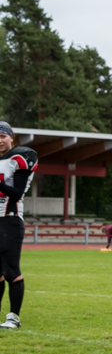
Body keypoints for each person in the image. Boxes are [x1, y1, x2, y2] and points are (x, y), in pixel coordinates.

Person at [0, 121, 38, 329]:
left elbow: (17, 193)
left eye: (3, 136)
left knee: (11, 270)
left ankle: (14, 316)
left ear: (11, 138)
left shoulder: (20, 157)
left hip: (10, 218)